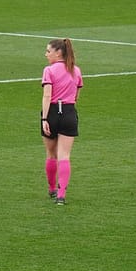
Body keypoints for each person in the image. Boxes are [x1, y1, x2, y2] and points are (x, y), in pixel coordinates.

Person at [40, 38, 83, 205]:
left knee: (51, 154)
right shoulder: (76, 70)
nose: (46, 54)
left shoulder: (49, 70)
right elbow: (76, 96)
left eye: (48, 51)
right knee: (64, 156)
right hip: (69, 112)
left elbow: (47, 95)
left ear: (58, 53)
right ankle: (61, 195)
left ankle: (52, 188)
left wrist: (45, 118)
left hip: (51, 112)